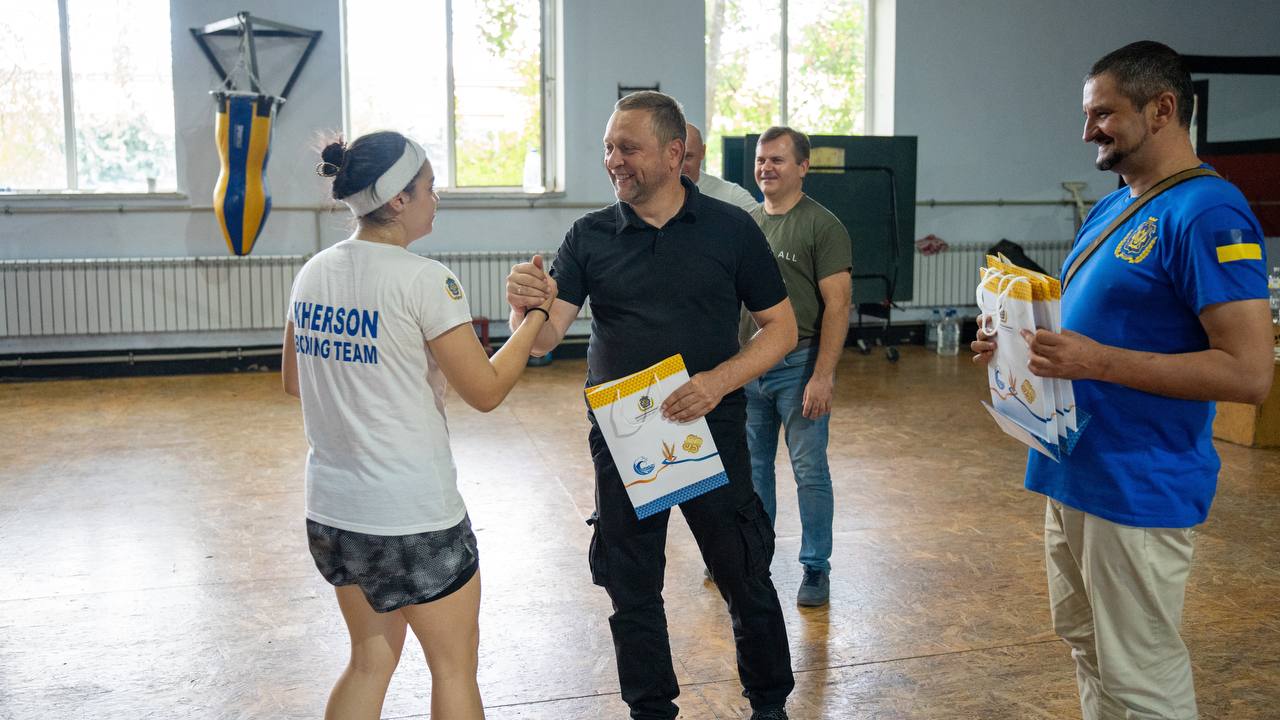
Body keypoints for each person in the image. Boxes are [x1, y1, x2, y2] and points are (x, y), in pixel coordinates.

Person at [972, 41, 1273, 720]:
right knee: (1089, 647)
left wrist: (1094, 361)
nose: (1087, 132)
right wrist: (1011, 343)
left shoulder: (1208, 213)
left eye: (1103, 114)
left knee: (1140, 673)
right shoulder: (1114, 208)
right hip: (1072, 467)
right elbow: (1076, 327)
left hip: (1138, 485)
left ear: (1162, 108)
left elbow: (1251, 373)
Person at [506, 91, 797, 720]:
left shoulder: (731, 229)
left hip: (710, 431)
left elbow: (781, 330)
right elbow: (546, 338)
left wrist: (718, 381)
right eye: (609, 147)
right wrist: (523, 306)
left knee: (743, 574)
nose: (614, 160)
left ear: (673, 154)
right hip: (623, 438)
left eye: (628, 148)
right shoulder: (589, 236)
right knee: (632, 587)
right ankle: (651, 710)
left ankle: (770, 705)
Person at [282, 130, 556, 720]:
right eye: (430, 187)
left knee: (369, 661)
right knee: (453, 668)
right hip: (413, 517)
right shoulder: (423, 279)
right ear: (399, 200)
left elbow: (294, 380)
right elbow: (484, 390)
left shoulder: (314, 274)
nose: (438, 198)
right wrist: (535, 319)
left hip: (334, 513)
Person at [741, 126, 851, 607]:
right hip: (748, 365)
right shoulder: (746, 222)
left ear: (803, 167)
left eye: (778, 160)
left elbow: (838, 306)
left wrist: (822, 375)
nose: (766, 167)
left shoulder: (823, 226)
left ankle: (814, 567)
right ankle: (754, 557)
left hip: (799, 365)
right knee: (753, 470)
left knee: (809, 471)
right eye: (762, 160)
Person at [683, 121, 760, 212]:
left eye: (688, 157)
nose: (679, 165)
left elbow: (765, 223)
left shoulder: (731, 196)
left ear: (702, 152)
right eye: (674, 156)